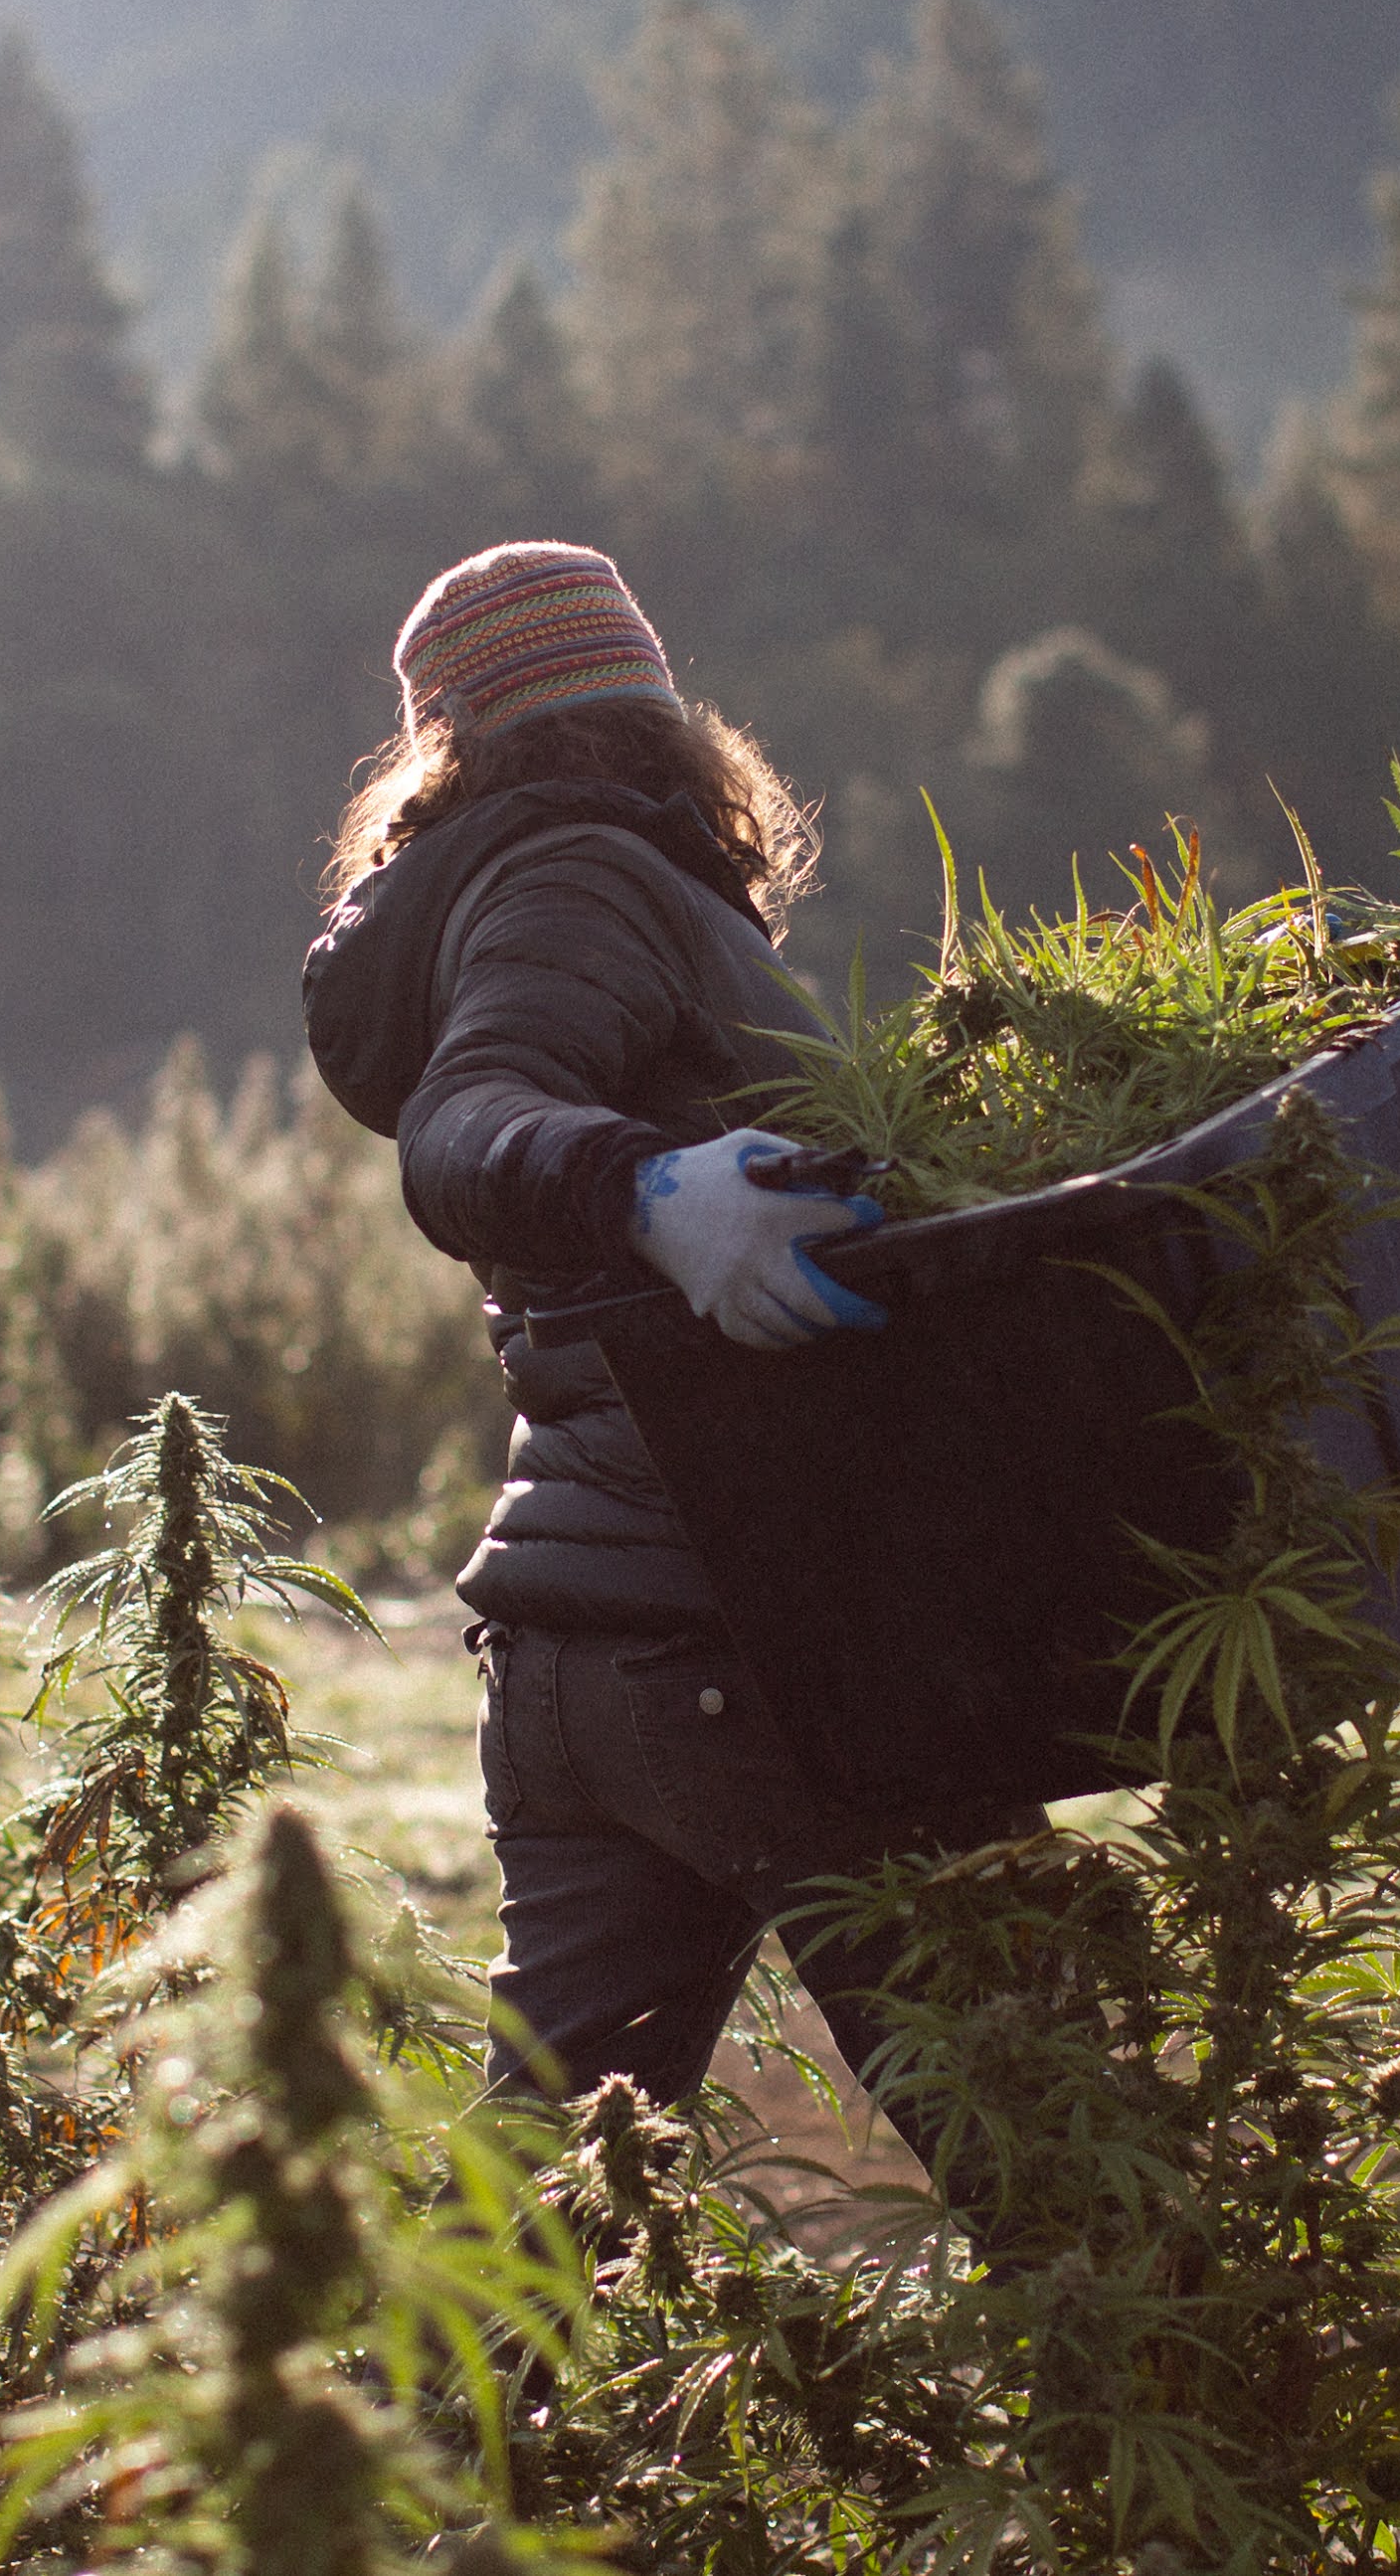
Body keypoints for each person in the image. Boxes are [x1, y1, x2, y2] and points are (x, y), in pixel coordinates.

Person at [300, 540, 1026, 2168]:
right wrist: (647, 1189)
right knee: (1076, 2171)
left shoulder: (542, 883)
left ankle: (397, 2437)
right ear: (648, 711)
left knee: (521, 2249)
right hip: (768, 1638)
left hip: (580, 1663)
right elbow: (468, 1120)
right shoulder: (580, 874)